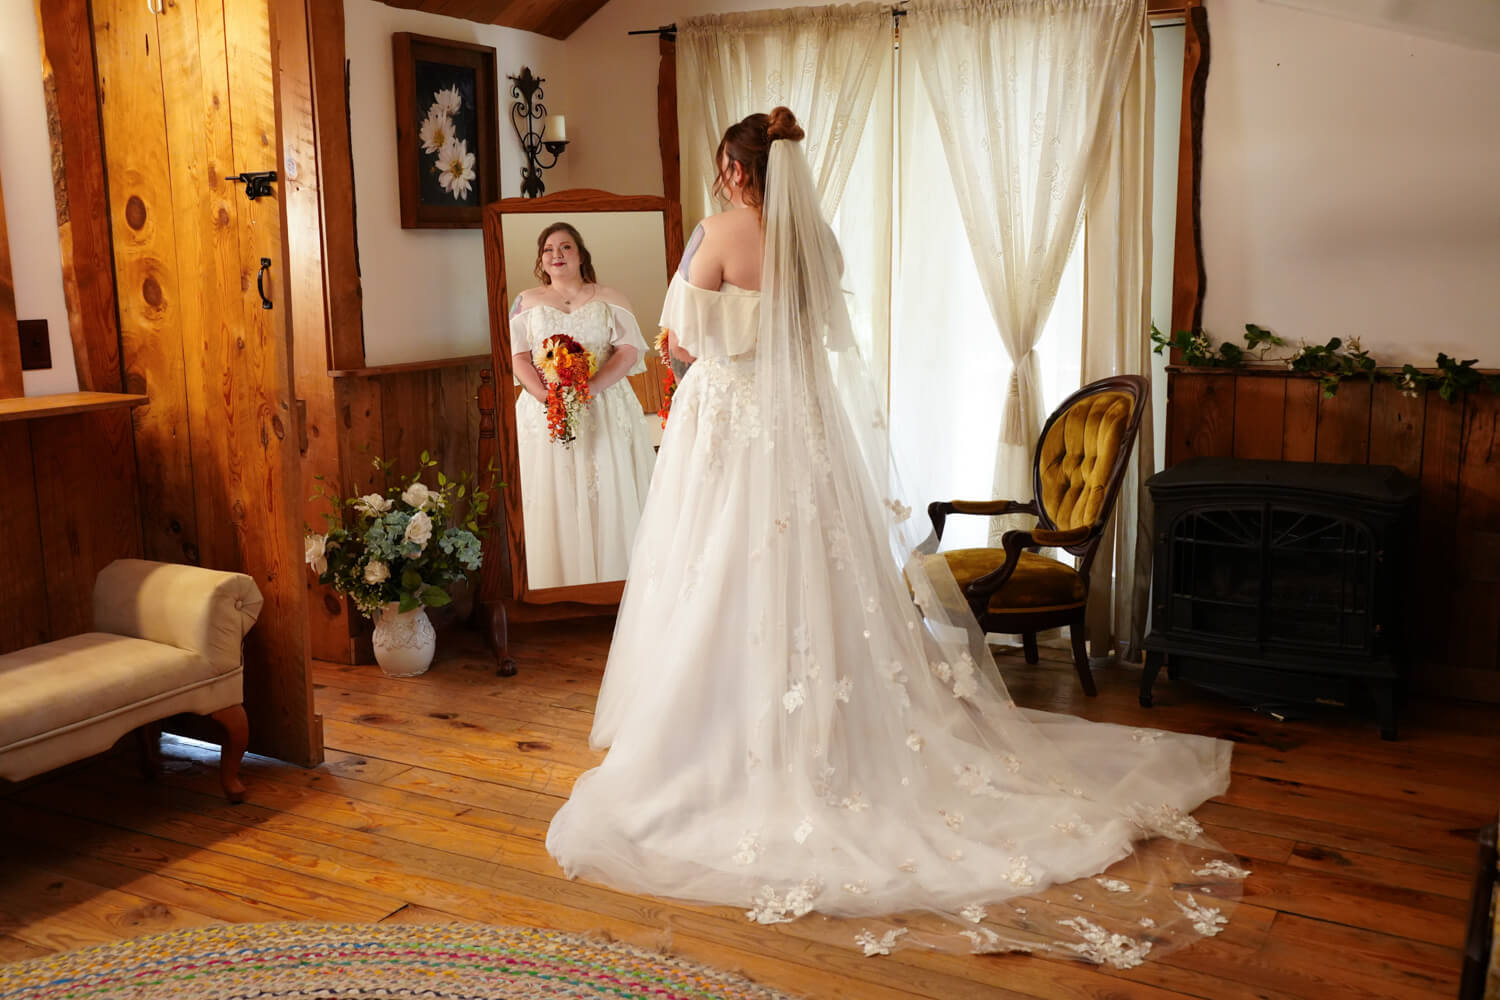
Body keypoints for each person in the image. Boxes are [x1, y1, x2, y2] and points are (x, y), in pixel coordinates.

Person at [546, 109, 1242, 967]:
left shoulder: (718, 232)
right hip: (802, 431)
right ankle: (833, 733)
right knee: (814, 575)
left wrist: (701, 336)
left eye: (723, 167)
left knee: (717, 572)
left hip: (728, 429)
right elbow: (821, 338)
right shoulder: (821, 242)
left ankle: (722, 739)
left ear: (734, 168)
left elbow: (680, 341)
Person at [511, 223, 656, 589]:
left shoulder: (610, 297)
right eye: (548, 249)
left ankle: (618, 585)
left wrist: (589, 389)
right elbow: (518, 357)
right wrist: (549, 399)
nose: (556, 254)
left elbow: (629, 350)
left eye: (566, 247)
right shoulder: (526, 301)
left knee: (608, 487)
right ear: (541, 260)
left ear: (581, 255)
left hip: (604, 404)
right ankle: (554, 585)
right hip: (547, 410)